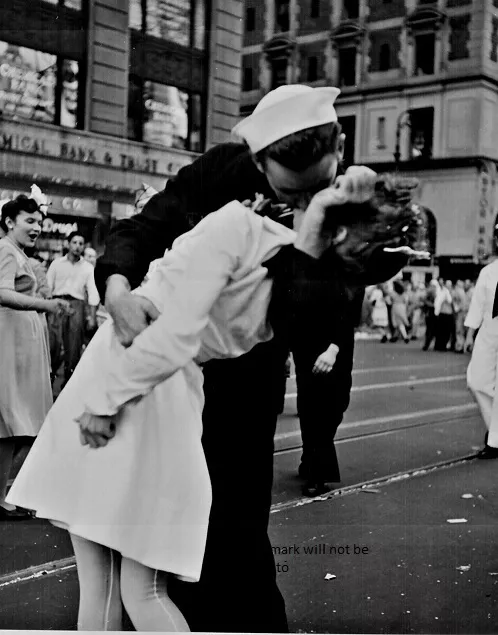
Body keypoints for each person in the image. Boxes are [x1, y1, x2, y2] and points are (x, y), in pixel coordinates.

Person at [6, 176, 402, 629]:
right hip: (169, 400)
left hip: (128, 375)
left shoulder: (241, 231)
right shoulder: (293, 287)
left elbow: (171, 327)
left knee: (110, 586)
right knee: (136, 589)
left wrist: (107, 399)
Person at [90, 84, 411, 633]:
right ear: (259, 160)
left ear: (338, 145)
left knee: (236, 530)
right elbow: (142, 229)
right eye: (289, 187)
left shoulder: (352, 197)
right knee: (157, 529)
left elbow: (331, 298)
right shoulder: (220, 173)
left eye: (317, 183)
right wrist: (118, 289)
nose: (305, 197)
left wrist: (355, 245)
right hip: (174, 379)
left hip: (249, 377)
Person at [0, 194, 71, 520]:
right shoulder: (5, 250)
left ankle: (6, 494)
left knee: (17, 424)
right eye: (29, 221)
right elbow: (2, 292)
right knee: (10, 423)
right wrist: (45, 305)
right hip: (11, 345)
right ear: (9, 222)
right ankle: (1, 498)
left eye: (39, 222)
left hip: (21, 345)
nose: (36, 228)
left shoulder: (18, 254)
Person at [46, 232, 100, 385]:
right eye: (74, 242)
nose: (77, 246)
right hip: (57, 303)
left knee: (74, 347)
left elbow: (93, 293)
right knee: (53, 345)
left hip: (77, 305)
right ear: (68, 244)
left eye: (81, 243)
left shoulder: (88, 267)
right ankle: (49, 382)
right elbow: (48, 287)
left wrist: (92, 317)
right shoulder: (57, 264)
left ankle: (67, 387)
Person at [465, 258, 498, 458]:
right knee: (475, 381)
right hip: (488, 331)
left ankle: (494, 441)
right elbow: (477, 305)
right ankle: (495, 428)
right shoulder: (488, 272)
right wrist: (469, 334)